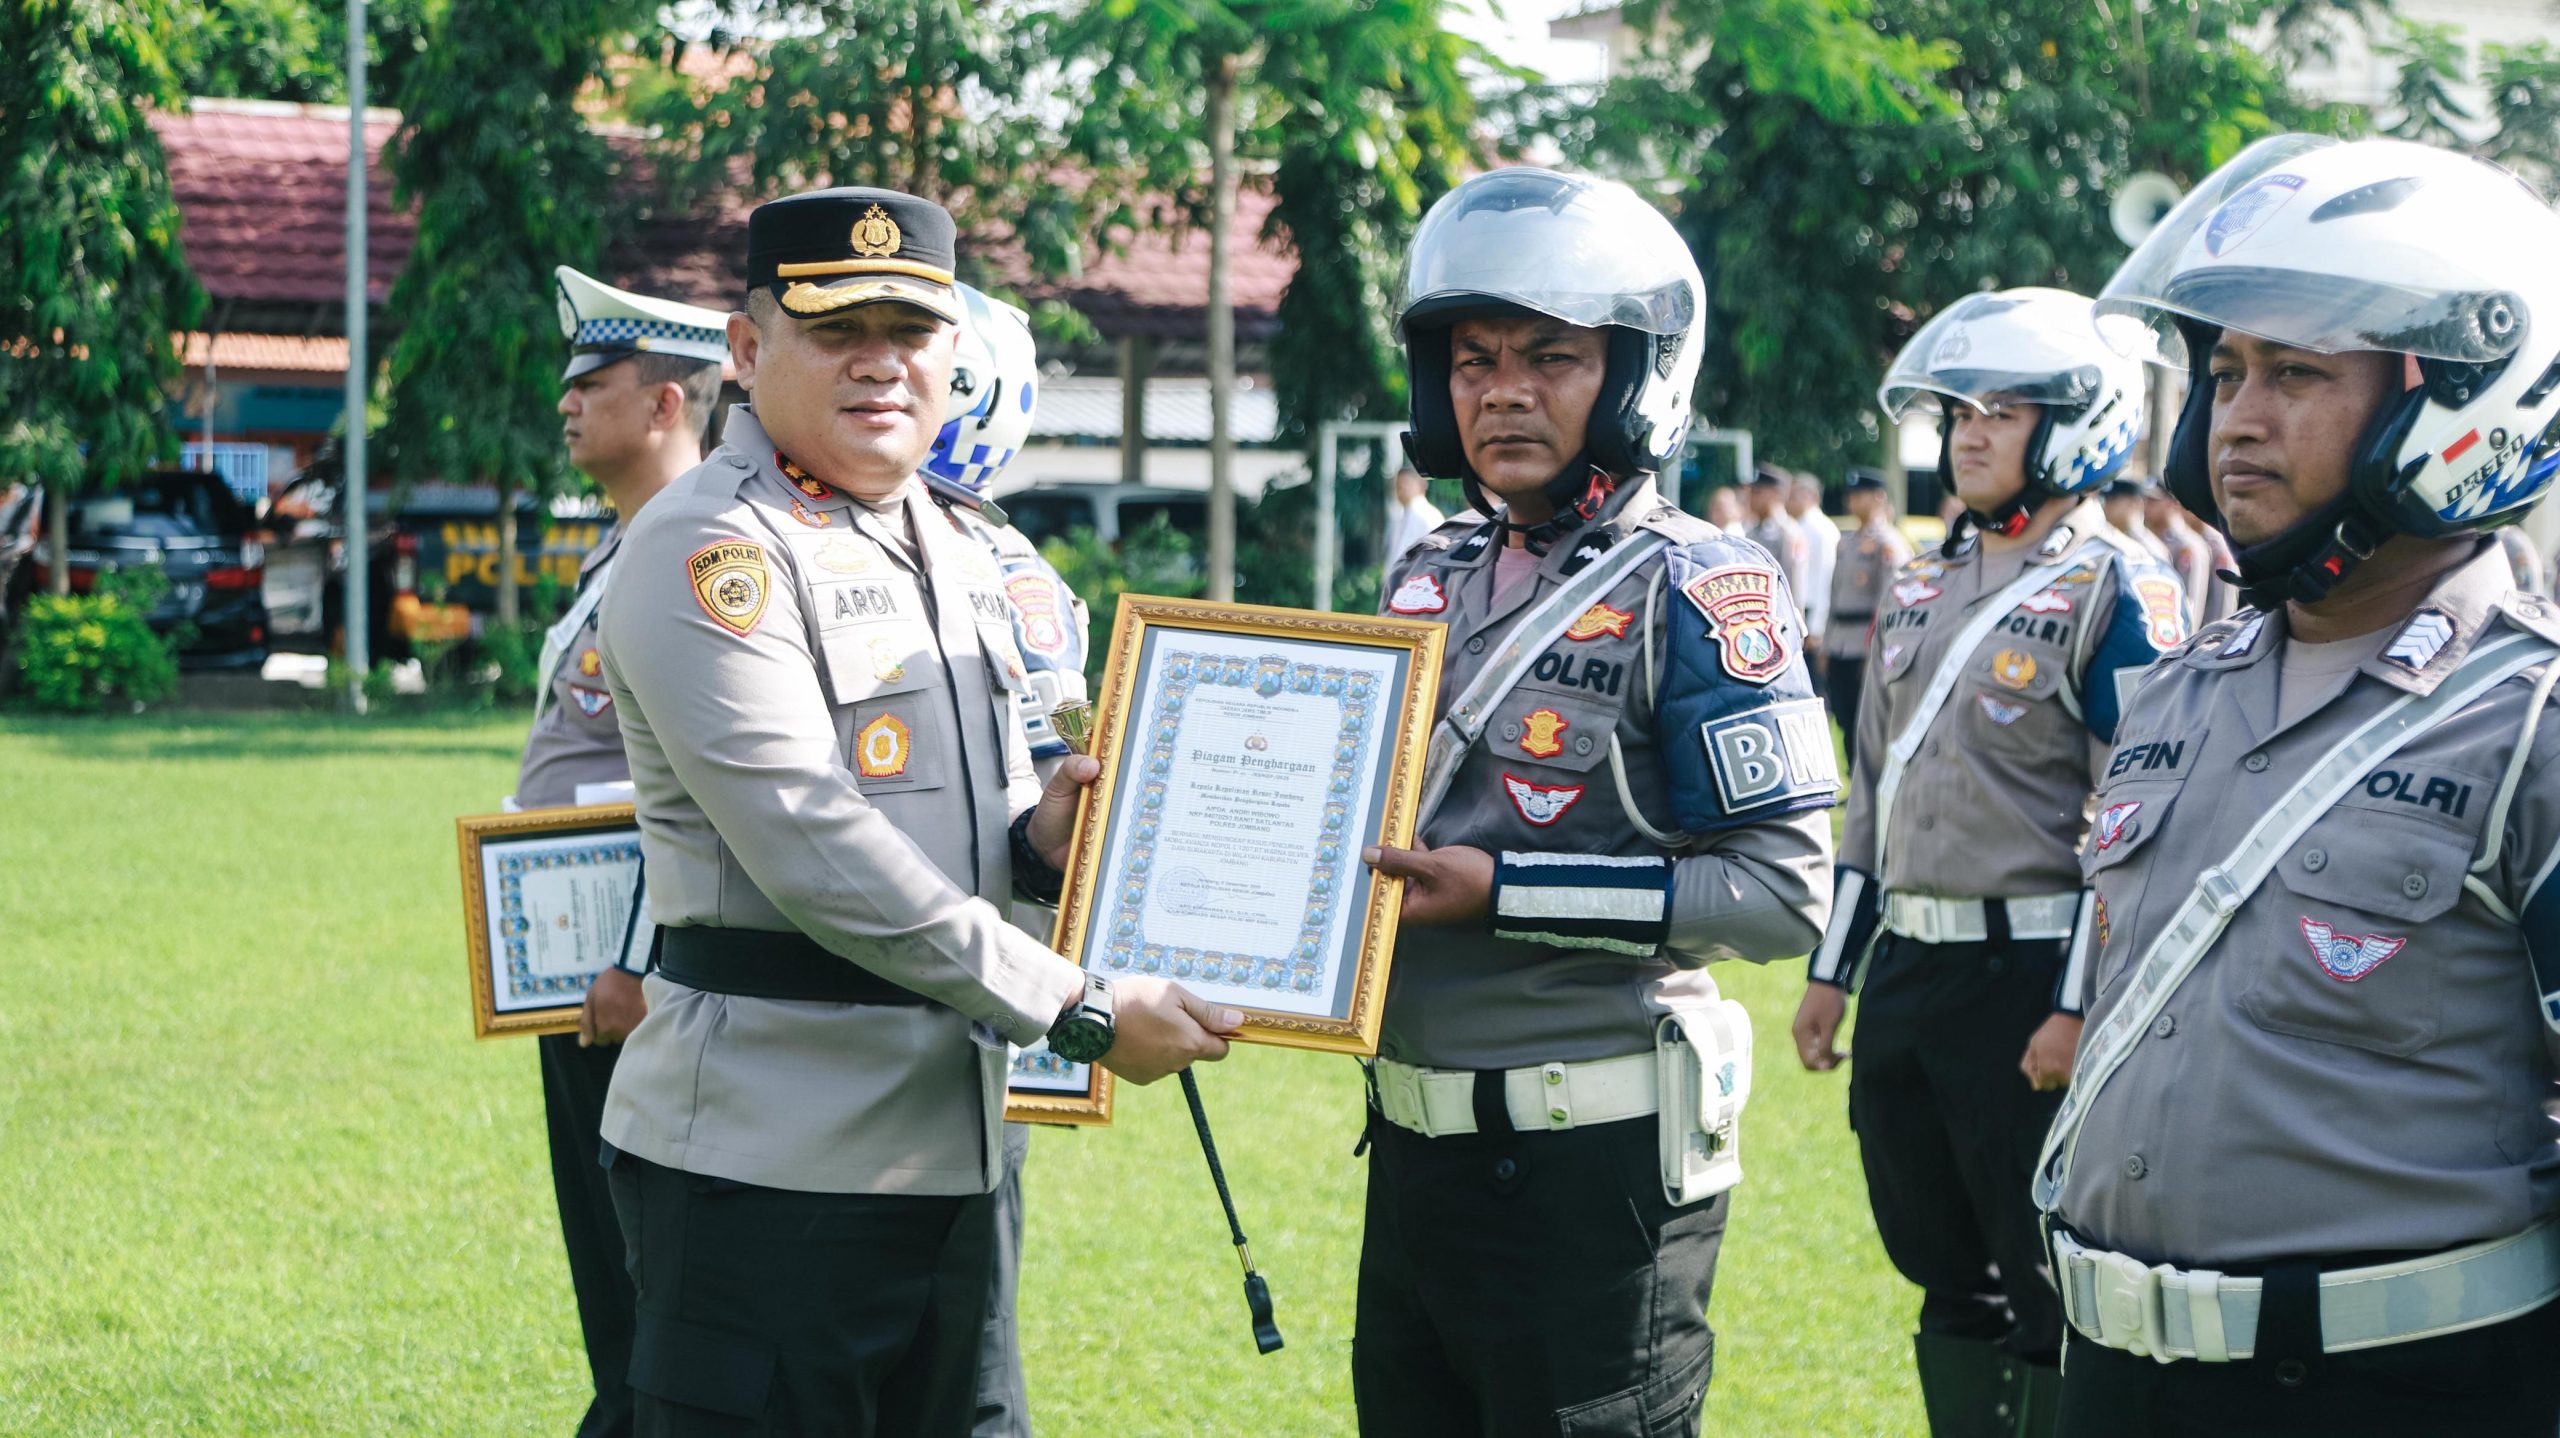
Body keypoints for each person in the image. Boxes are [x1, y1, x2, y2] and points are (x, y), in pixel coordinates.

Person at [593, 186, 1239, 1438]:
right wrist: (1081, 1007)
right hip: (761, 1171)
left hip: (954, 1159)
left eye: (914, 326)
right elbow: (814, 844)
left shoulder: (953, 543)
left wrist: (1047, 837)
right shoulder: (706, 549)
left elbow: (973, 825)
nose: (882, 359)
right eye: (836, 328)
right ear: (744, 350)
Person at [2041, 133, 2560, 1438]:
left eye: (2298, 373)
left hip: (2393, 1390)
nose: (2238, 419)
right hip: (2115, 1370)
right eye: (2223, 373)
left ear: (2454, 408)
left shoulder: (2534, 717)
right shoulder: (2175, 688)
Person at [1358, 166, 1836, 1437]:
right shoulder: (1425, 575)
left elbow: (1783, 893)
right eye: (1471, 356)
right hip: (1408, 1149)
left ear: (1635, 376)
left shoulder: (1703, 586)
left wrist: (1501, 894)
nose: (1502, 389)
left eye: (1551, 356)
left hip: (1591, 1167)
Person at [1791, 285, 2191, 1436]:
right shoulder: (1917, 585)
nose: (1965, 433)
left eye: (2000, 411)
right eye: (1956, 411)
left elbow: (2139, 828)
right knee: (1936, 1264)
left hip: (2029, 986)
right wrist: (1832, 971)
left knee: (2040, 1280)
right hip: (1909, 978)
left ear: (2076, 422)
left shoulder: (2122, 588)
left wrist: (2075, 1009)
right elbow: (1872, 795)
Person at [515, 266, 729, 1438]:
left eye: (592, 380)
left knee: (649, 1274)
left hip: (630, 976)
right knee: (607, 1274)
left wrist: (639, 965)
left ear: (665, 406)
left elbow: (685, 789)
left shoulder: (693, 553)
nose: (568, 402)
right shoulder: (625, 548)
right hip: (573, 958)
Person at [910, 279, 1094, 1438]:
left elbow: (1027, 819)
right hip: (980, 1000)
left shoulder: (975, 566)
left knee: (956, 1359)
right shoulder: (1021, 562)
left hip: (949, 999)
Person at [1823, 468, 1913, 761]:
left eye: (1859, 495)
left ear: (1878, 497)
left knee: (1869, 720)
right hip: (1840, 641)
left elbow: (1890, 602)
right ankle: (1854, 777)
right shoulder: (1847, 541)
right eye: (1851, 495)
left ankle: (1871, 782)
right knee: (1844, 715)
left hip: (1865, 642)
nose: (1852, 501)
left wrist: (1876, 650)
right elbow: (1835, 597)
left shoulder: (1888, 542)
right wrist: (1827, 644)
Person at [2141, 475, 2228, 626]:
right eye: (2146, 501)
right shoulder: (2150, 540)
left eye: (2153, 501)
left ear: (2171, 504)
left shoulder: (2188, 546)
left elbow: (2209, 602)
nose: (2146, 507)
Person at [1789, 471, 1841, 686]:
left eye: (1796, 495)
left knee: (1812, 681)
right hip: (1800, 609)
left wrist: (1817, 626)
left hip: (1812, 611)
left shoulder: (1821, 529)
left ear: (1812, 496)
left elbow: (1826, 577)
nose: (1790, 500)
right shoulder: (1796, 526)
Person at [1744, 464, 1813, 600]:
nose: (1751, 498)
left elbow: (1794, 585)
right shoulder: (1751, 531)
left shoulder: (1789, 533)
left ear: (1776, 494)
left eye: (1757, 492)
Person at [1383, 465, 1446, 574]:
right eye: (1397, 486)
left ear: (1421, 486)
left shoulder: (1428, 515)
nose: (1400, 490)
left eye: (1404, 485)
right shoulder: (1400, 516)